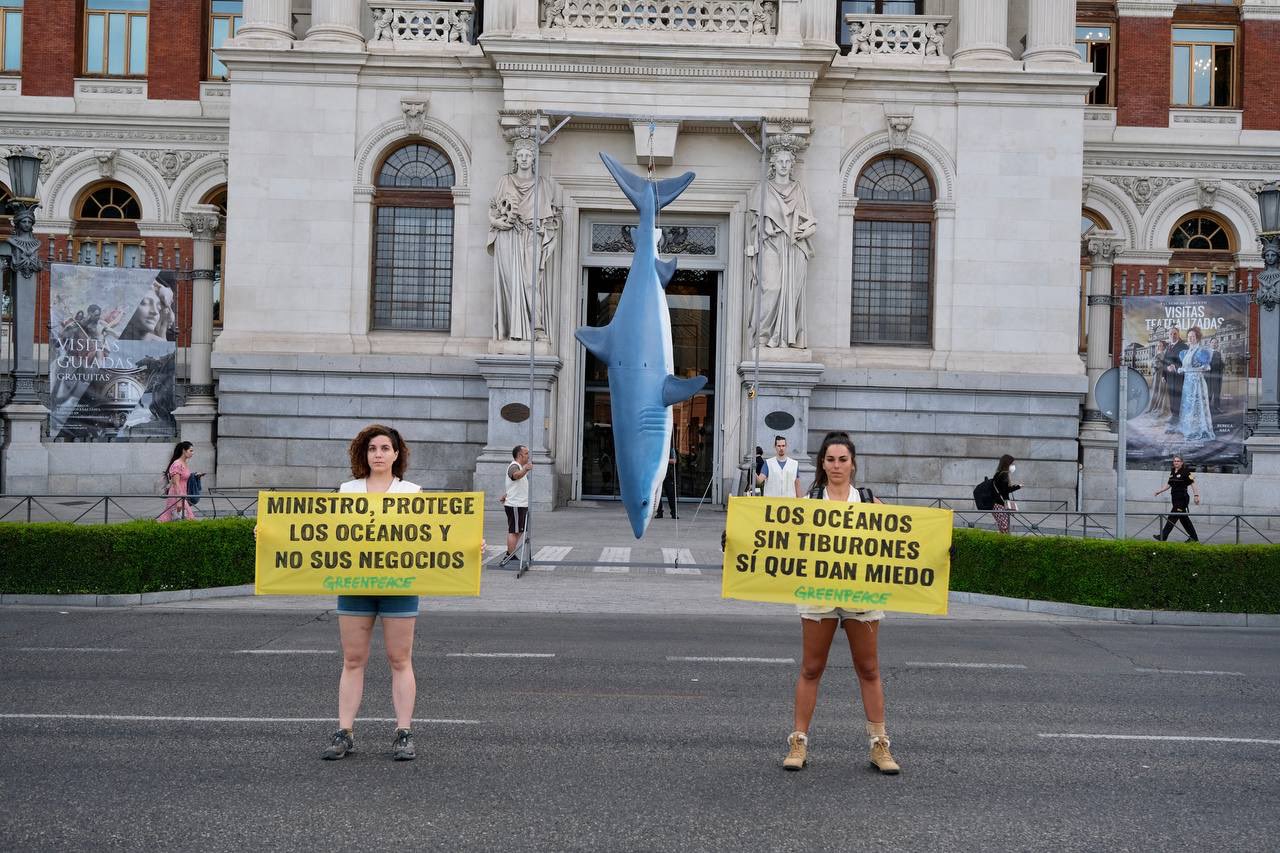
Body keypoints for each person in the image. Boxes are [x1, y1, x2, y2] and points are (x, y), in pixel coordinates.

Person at [783, 431, 900, 775]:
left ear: (853, 464)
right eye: (830, 459)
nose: (836, 465)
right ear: (822, 463)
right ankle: (798, 740)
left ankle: (880, 744)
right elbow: (782, 541)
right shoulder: (810, 502)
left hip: (861, 595)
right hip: (818, 595)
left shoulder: (868, 501)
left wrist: (939, 551)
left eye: (842, 459)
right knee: (810, 668)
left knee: (868, 669)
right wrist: (737, 541)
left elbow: (902, 541)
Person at [324, 424, 423, 761]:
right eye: (372, 449)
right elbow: (324, 534)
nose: (378, 454)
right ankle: (344, 731)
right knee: (353, 659)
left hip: (400, 584)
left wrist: (470, 544)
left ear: (397, 454)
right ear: (364, 454)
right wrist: (269, 535)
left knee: (400, 658)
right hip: (354, 583)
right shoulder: (347, 490)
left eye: (384, 448)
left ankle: (404, 731)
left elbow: (433, 536)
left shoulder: (412, 492)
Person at [1176, 326, 1214, 443]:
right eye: (1189, 337)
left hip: (1197, 383)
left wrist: (1201, 368)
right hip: (1187, 383)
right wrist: (1180, 369)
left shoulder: (1201, 351)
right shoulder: (1186, 352)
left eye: (1193, 336)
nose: (1191, 338)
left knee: (1196, 406)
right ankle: (1188, 429)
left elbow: (1207, 367)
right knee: (1188, 406)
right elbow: (1185, 367)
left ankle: (1197, 430)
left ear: (1197, 338)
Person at [1153, 454, 1200, 542]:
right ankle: (1194, 538)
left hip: (1182, 499)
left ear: (1182, 462)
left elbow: (1193, 483)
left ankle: (1163, 536)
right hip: (1175, 499)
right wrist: (1160, 491)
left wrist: (1196, 496)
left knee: (1172, 516)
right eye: (1175, 461)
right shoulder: (1173, 471)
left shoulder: (1186, 471)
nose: (1176, 462)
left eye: (1178, 461)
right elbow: (1169, 484)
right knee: (1184, 520)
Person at [498, 444, 532, 565]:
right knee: (514, 530)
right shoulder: (514, 466)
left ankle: (510, 553)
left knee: (519, 530)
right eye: (526, 453)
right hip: (516, 505)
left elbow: (514, 486)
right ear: (520, 455)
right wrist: (526, 469)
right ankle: (509, 555)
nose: (528, 456)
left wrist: (506, 494)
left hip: (519, 504)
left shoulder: (519, 467)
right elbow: (515, 476)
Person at [158, 441, 198, 521]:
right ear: (184, 450)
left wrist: (196, 475)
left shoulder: (184, 463)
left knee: (174, 518)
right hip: (177, 495)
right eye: (191, 450)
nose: (192, 453)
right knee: (188, 518)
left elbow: (184, 477)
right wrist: (179, 500)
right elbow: (176, 483)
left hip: (182, 494)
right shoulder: (177, 464)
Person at [757, 434, 803, 498]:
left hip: (789, 502)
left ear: (786, 446)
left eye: (783, 446)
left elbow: (797, 484)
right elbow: (759, 480)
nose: (781, 448)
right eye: (779, 446)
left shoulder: (794, 464)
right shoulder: (768, 463)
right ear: (775, 446)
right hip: (772, 502)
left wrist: (800, 501)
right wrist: (753, 472)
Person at [1161, 327, 1188, 433]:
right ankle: (1173, 416)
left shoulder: (1183, 346)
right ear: (1169, 335)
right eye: (1171, 334)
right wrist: (1164, 375)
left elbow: (1185, 362)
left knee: (1178, 397)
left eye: (1175, 333)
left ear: (1178, 334)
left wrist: (1175, 367)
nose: (1173, 335)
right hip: (1170, 377)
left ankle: (1177, 419)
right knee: (1172, 396)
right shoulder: (1168, 347)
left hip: (1179, 377)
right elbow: (1165, 362)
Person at [991, 454, 1021, 535]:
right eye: (1012, 464)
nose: (1013, 466)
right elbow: (1005, 491)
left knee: (1003, 528)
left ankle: (1002, 543)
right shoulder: (1003, 475)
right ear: (1007, 464)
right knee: (1005, 527)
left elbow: (1002, 489)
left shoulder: (998, 473)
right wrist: (1018, 486)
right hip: (1000, 504)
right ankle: (1003, 544)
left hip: (997, 504)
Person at [1145, 340, 1170, 418]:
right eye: (1157, 345)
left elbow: (1158, 365)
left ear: (1164, 347)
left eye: (1160, 345)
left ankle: (1156, 407)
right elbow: (1154, 366)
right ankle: (1153, 407)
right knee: (1156, 390)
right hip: (1157, 374)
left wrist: (1155, 366)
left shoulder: (1162, 355)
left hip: (1160, 374)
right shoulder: (1158, 355)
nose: (1158, 347)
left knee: (1158, 390)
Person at [655, 445, 679, 519]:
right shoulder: (657, 448)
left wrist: (664, 460)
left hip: (668, 475)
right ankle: (659, 512)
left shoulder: (671, 449)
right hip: (659, 474)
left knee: (671, 494)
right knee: (658, 494)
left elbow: (674, 460)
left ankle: (674, 513)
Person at [1206, 336, 1225, 416]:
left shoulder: (1218, 353)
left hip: (1217, 376)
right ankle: (1207, 408)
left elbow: (1222, 366)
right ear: (1210, 344)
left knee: (1217, 392)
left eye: (1215, 343)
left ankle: (1217, 407)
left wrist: (1223, 361)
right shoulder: (1206, 353)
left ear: (1217, 344)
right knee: (1208, 392)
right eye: (1212, 342)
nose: (1214, 344)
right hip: (1208, 376)